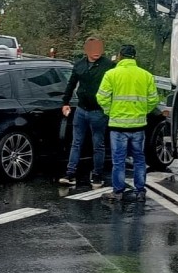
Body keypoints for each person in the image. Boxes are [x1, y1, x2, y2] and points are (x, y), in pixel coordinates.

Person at [96, 44, 159, 202]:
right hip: (138, 125)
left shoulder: (111, 74)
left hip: (118, 126)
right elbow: (154, 100)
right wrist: (143, 112)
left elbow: (101, 97)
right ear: (134, 57)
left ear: (119, 56)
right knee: (139, 159)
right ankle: (140, 191)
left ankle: (118, 192)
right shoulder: (146, 75)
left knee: (118, 160)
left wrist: (110, 111)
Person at [59, 37, 115, 189]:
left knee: (98, 144)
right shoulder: (79, 65)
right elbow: (71, 84)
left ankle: (97, 175)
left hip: (99, 111)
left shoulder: (108, 65)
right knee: (76, 143)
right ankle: (70, 173)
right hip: (82, 110)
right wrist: (65, 102)